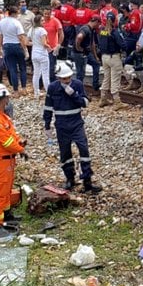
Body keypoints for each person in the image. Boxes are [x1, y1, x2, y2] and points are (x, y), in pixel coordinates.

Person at [43, 63, 101, 193]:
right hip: (62, 126)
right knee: (65, 153)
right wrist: (47, 126)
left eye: (69, 78)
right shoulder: (52, 88)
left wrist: (74, 95)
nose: (67, 81)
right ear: (58, 78)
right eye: (64, 79)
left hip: (76, 124)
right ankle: (70, 179)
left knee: (84, 150)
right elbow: (48, 107)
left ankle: (87, 181)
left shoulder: (77, 84)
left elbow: (85, 103)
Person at [0, 83, 27, 235]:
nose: (8, 99)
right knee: (0, 191)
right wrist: (21, 150)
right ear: (2, 99)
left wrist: (19, 141)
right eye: (7, 96)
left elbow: (11, 135)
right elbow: (6, 142)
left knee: (7, 188)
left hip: (7, 159)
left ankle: (7, 214)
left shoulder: (2, 117)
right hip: (2, 159)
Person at [97, 9, 127, 109]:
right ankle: (117, 102)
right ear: (115, 21)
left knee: (106, 78)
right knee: (115, 79)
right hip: (114, 57)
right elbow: (122, 44)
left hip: (104, 57)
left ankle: (103, 99)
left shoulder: (102, 31)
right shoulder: (114, 32)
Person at [0, 6, 29, 95]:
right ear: (14, 13)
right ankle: (24, 88)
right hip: (17, 45)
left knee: (12, 69)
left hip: (7, 46)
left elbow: (0, 36)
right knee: (22, 68)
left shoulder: (2, 22)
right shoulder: (16, 23)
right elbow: (21, 37)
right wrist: (25, 50)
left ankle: (15, 91)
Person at [72, 15, 101, 91]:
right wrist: (78, 47)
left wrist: (95, 56)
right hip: (80, 54)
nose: (99, 26)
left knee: (96, 63)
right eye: (99, 24)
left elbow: (92, 44)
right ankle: (79, 91)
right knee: (80, 73)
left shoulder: (91, 30)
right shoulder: (86, 29)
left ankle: (95, 84)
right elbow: (79, 37)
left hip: (86, 53)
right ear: (96, 22)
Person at [29, 13, 51, 98]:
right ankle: (48, 93)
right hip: (42, 53)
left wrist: (34, 43)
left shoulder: (32, 30)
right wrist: (49, 47)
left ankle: (36, 93)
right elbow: (44, 43)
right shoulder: (42, 30)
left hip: (34, 53)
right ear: (39, 22)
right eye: (42, 20)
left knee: (36, 73)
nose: (44, 21)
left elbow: (27, 42)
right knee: (45, 74)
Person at [42, 6, 64, 83]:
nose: (46, 16)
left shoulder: (55, 21)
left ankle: (52, 83)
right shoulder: (41, 21)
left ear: (51, 13)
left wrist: (58, 45)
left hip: (52, 48)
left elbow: (61, 34)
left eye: (48, 14)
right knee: (42, 67)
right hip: (43, 47)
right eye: (45, 14)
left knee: (51, 67)